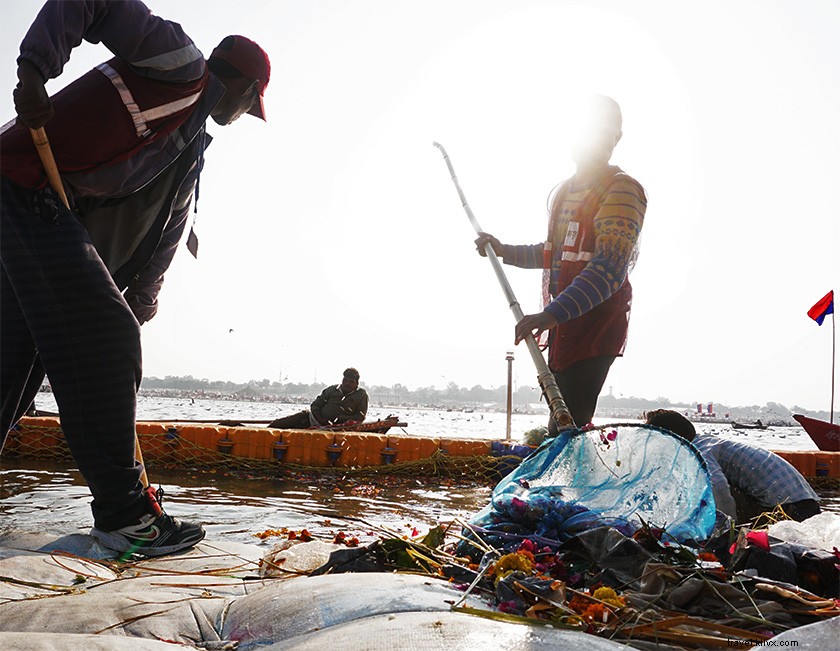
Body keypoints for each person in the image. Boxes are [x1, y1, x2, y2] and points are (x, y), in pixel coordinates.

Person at [1, 0, 270, 557]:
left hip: (30, 206)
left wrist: (143, 297)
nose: (246, 112)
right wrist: (34, 72)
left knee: (14, 367)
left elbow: (168, 228)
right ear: (243, 85)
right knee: (106, 338)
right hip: (21, 184)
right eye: (252, 101)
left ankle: (127, 511)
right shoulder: (181, 65)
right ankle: (126, 516)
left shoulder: (190, 142)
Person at [475, 95, 647, 430]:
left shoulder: (623, 190)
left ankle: (569, 481)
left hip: (596, 325)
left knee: (570, 423)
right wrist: (503, 250)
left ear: (617, 139)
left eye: (604, 133)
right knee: (560, 419)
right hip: (564, 326)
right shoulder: (565, 192)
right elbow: (553, 253)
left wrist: (550, 315)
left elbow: (608, 269)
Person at [645, 410, 820, 523]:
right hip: (805, 504)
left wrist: (725, 532)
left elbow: (719, 489)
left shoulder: (700, 451)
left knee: (708, 491)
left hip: (792, 511)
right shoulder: (709, 443)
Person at [268, 368, 369, 429]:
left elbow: (360, 417)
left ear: (357, 383)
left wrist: (340, 419)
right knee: (276, 425)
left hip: (337, 428)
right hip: (311, 419)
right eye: (345, 380)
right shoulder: (332, 389)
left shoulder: (361, 395)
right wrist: (321, 419)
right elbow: (315, 405)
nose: (347, 383)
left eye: (351, 381)